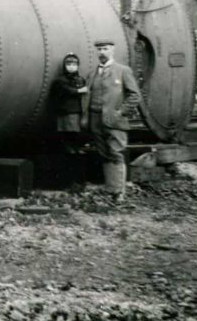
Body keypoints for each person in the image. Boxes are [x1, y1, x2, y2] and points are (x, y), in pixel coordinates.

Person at [85, 38, 141, 201]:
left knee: (116, 153)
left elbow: (134, 95)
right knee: (103, 154)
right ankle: (111, 189)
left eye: (105, 49)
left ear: (112, 50)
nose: (102, 52)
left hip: (115, 121)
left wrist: (121, 112)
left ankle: (119, 192)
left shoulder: (123, 71)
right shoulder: (92, 73)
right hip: (96, 120)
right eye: (99, 49)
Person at [52, 52, 88, 153]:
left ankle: (76, 147)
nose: (71, 67)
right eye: (69, 65)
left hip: (76, 109)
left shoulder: (80, 79)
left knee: (75, 130)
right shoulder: (60, 80)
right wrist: (79, 90)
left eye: (74, 65)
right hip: (65, 110)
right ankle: (69, 147)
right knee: (67, 131)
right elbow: (67, 90)